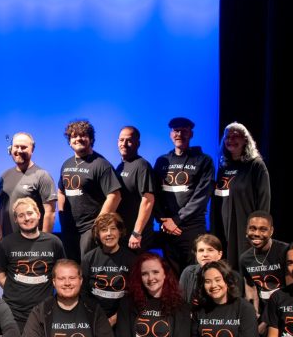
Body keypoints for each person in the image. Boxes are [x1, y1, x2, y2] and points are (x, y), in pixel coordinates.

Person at [153, 117, 215, 273]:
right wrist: (163, 221)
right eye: (175, 130)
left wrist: (177, 220)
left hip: (192, 228)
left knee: (193, 273)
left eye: (183, 131)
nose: (179, 134)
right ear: (170, 134)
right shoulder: (162, 161)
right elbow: (155, 195)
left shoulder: (204, 161)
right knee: (171, 276)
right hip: (167, 228)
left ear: (191, 134)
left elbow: (201, 196)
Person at [0, 197, 65, 332]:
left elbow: (62, 273)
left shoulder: (54, 242)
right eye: (21, 215)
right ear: (16, 220)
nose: (26, 218)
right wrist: (13, 290)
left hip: (45, 311)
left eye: (29, 213)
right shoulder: (7, 243)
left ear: (38, 215)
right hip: (14, 312)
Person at [58, 120, 121, 261]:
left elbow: (115, 195)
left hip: (89, 228)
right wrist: (62, 217)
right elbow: (61, 191)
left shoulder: (101, 164)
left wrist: (98, 224)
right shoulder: (66, 164)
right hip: (70, 228)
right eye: (74, 136)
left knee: (87, 268)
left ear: (91, 139)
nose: (78, 139)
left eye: (83, 135)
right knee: (71, 267)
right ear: (69, 141)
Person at [211, 122, 271, 269]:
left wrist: (259, 229)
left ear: (245, 139)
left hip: (245, 229)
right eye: (227, 137)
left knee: (245, 269)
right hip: (224, 229)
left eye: (235, 136)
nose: (231, 140)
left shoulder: (256, 165)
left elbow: (264, 198)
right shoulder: (224, 167)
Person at [238, 211, 291, 337]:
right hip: (264, 309)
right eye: (252, 228)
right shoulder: (245, 258)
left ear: (271, 231)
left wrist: (267, 321)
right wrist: (253, 312)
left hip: (286, 309)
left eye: (263, 229)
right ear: (246, 230)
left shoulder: (284, 251)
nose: (257, 233)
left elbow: (291, 292)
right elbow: (250, 286)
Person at [0, 132, 57, 240]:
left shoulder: (42, 175)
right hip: (8, 242)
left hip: (33, 243)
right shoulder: (4, 176)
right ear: (11, 149)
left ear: (32, 150)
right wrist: (0, 235)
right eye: (16, 146)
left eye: (24, 147)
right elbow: (0, 209)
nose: (19, 150)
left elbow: (50, 212)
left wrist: (44, 242)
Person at [80, 213, 137, 325]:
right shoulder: (89, 258)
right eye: (104, 230)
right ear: (98, 234)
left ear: (119, 232)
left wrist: (117, 317)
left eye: (113, 229)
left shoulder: (131, 259)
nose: (109, 233)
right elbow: (83, 291)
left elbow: (135, 294)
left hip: (123, 317)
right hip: (94, 316)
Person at [114, 126, 156, 251]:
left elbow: (148, 200)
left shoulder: (142, 166)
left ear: (138, 144)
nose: (124, 144)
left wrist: (137, 233)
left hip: (136, 237)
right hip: (123, 234)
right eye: (121, 140)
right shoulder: (120, 166)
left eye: (129, 140)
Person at [178, 234, 243, 306]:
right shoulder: (188, 272)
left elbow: (236, 306)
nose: (205, 254)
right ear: (196, 254)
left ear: (219, 254)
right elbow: (181, 302)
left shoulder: (232, 276)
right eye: (201, 250)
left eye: (210, 250)